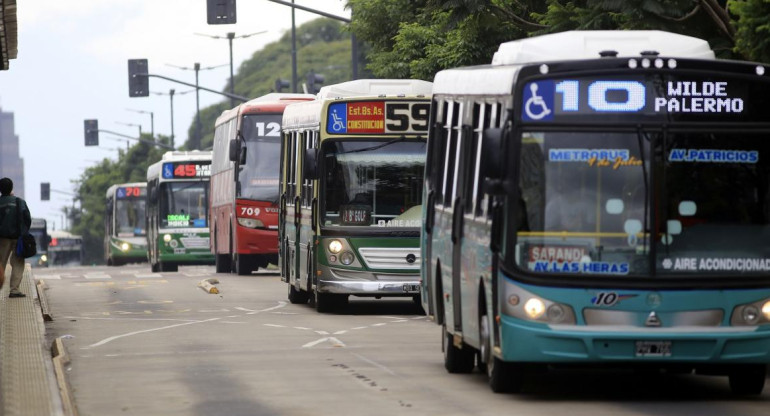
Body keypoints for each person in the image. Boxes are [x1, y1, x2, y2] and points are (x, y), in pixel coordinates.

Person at [0, 177, 32, 298]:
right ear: (11, 188)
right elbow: (27, 219)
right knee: (18, 262)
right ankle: (14, 290)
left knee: (1, 263)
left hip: (2, 239)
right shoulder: (19, 202)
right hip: (18, 238)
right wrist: (24, 232)